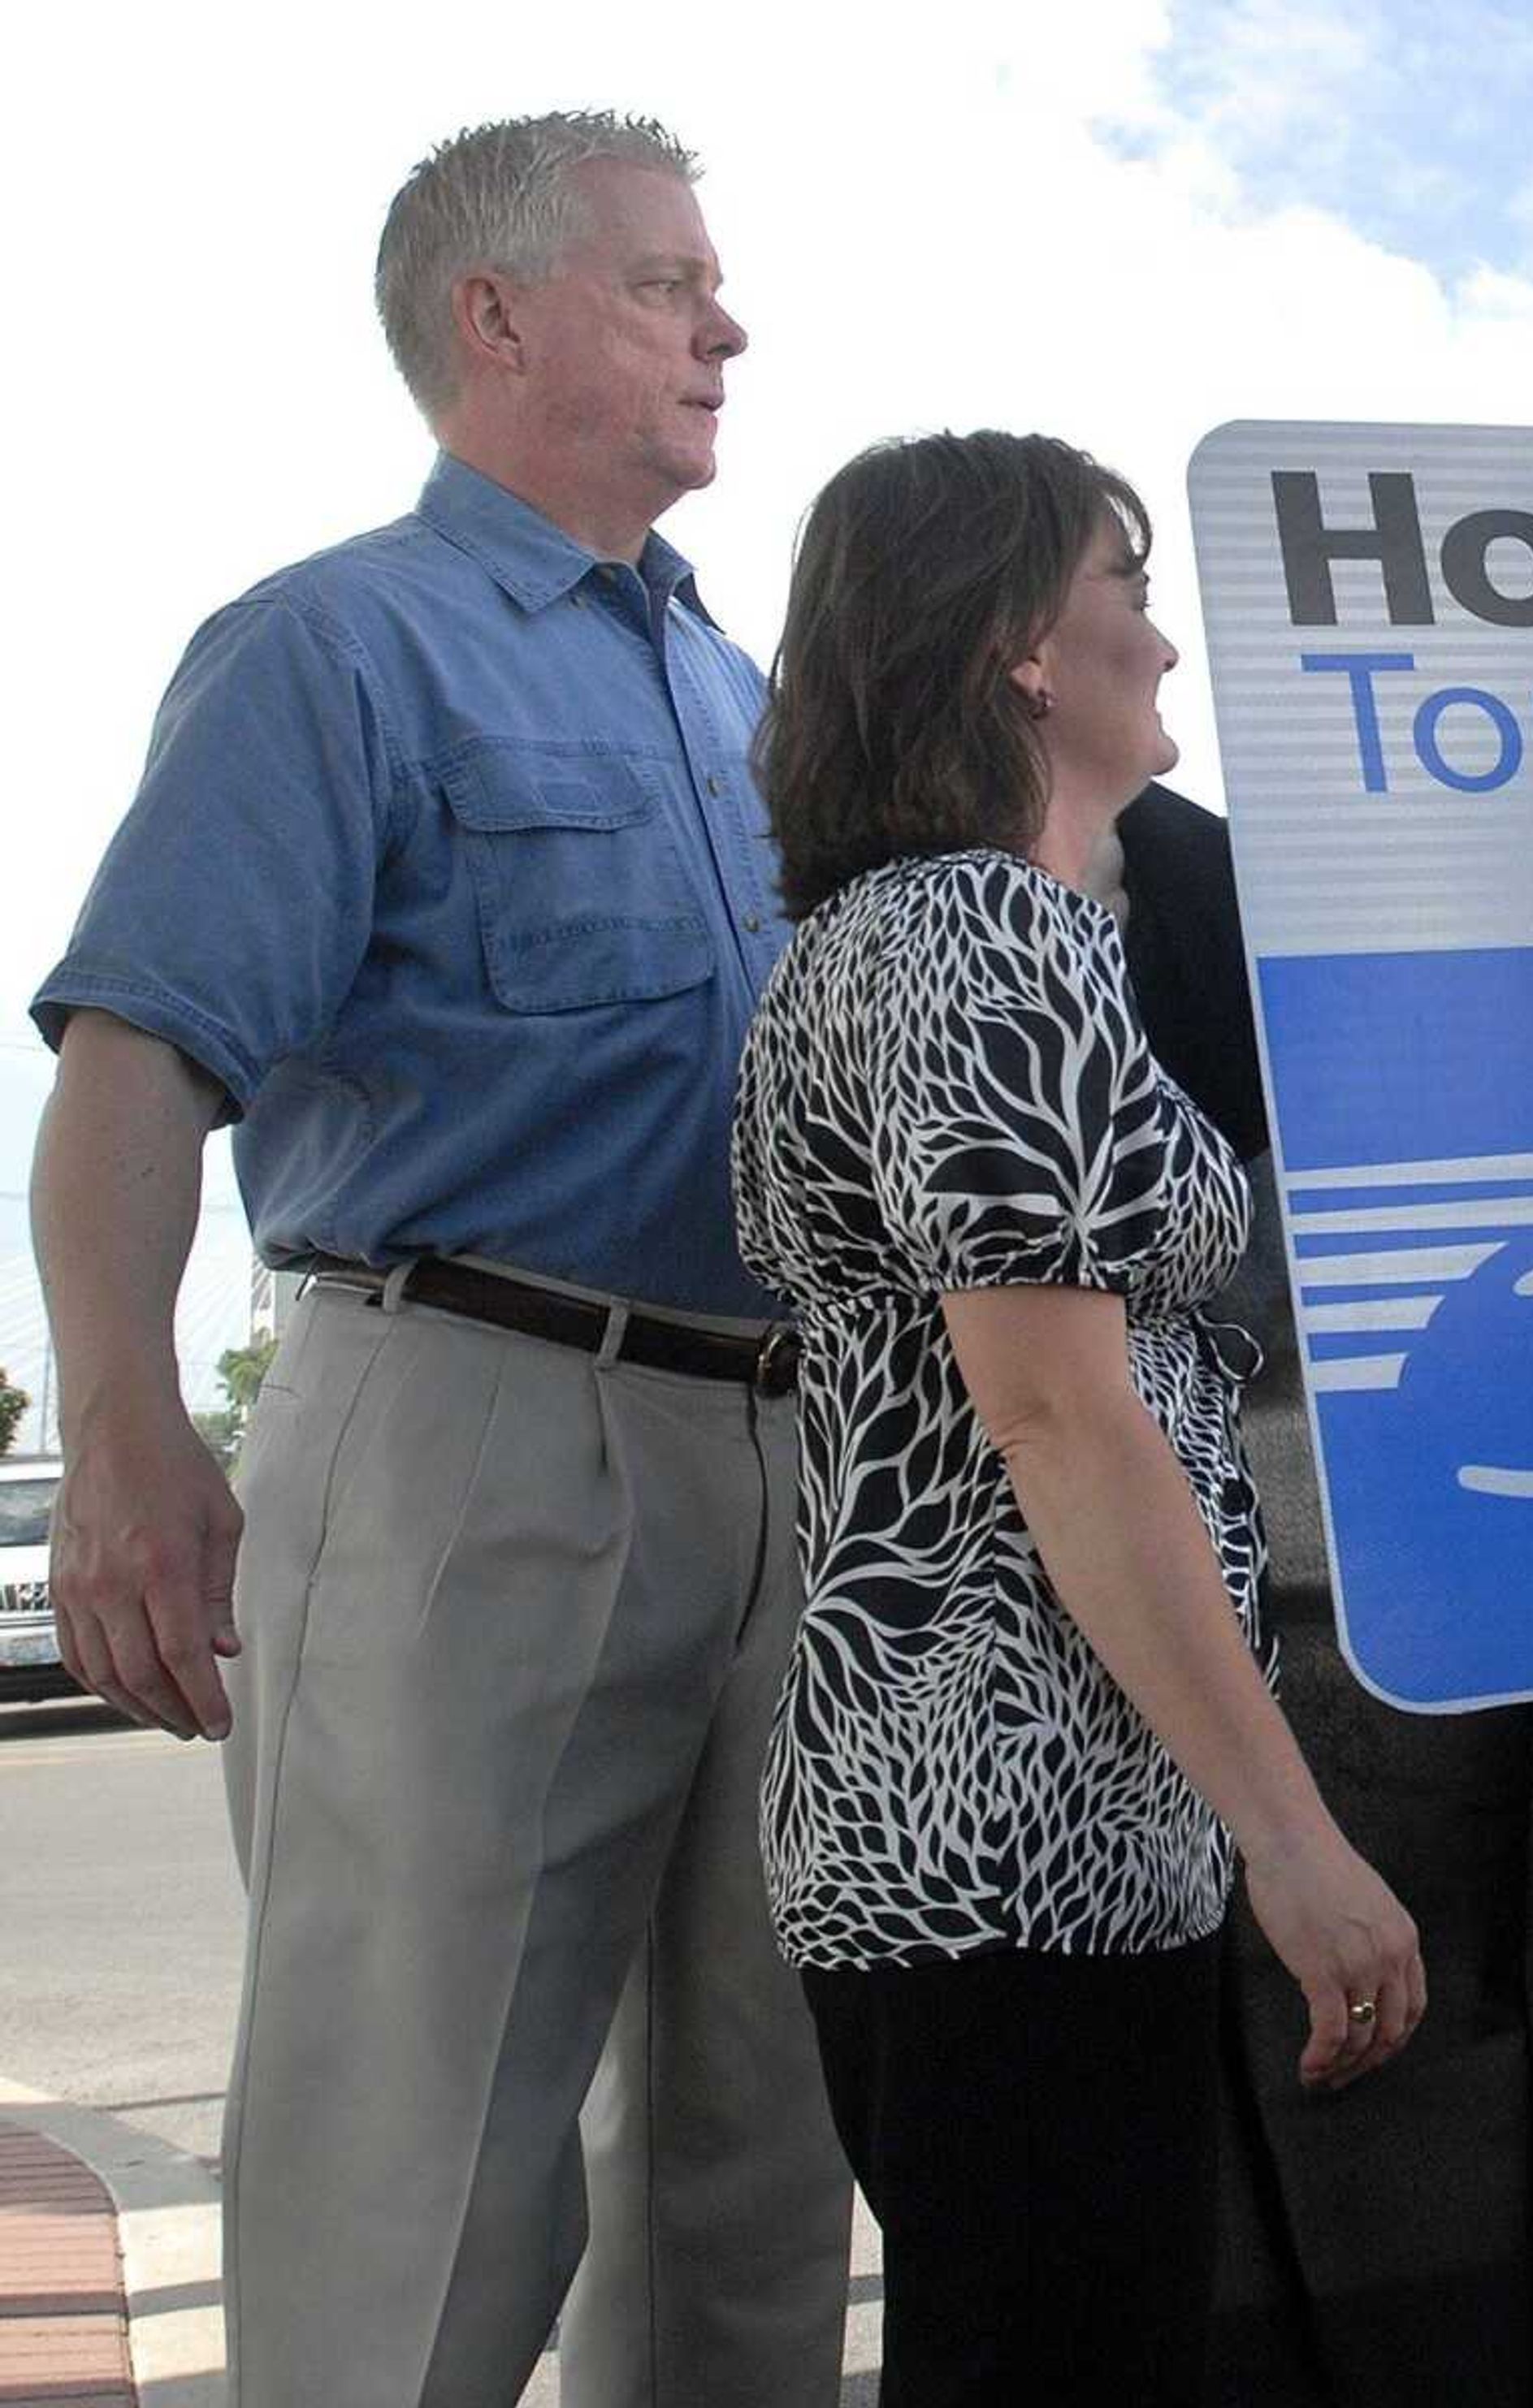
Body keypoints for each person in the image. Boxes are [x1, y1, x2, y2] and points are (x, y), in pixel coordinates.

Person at [30, 113, 850, 2405]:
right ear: (494, 320)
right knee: (421, 2178)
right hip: (477, 1436)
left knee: (753, 2177)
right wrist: (123, 1430)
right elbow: (129, 1064)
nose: (728, 321)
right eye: (666, 281)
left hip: (789, 1456)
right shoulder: (329, 647)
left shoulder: (744, 696)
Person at [731, 429, 1425, 2403]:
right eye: (1125, 577)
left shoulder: (940, 940)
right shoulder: (977, 936)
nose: (1164, 634)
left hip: (1021, 1831)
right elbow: (1059, 1418)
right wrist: (1293, 1842)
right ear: (1025, 645)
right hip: (998, 1826)